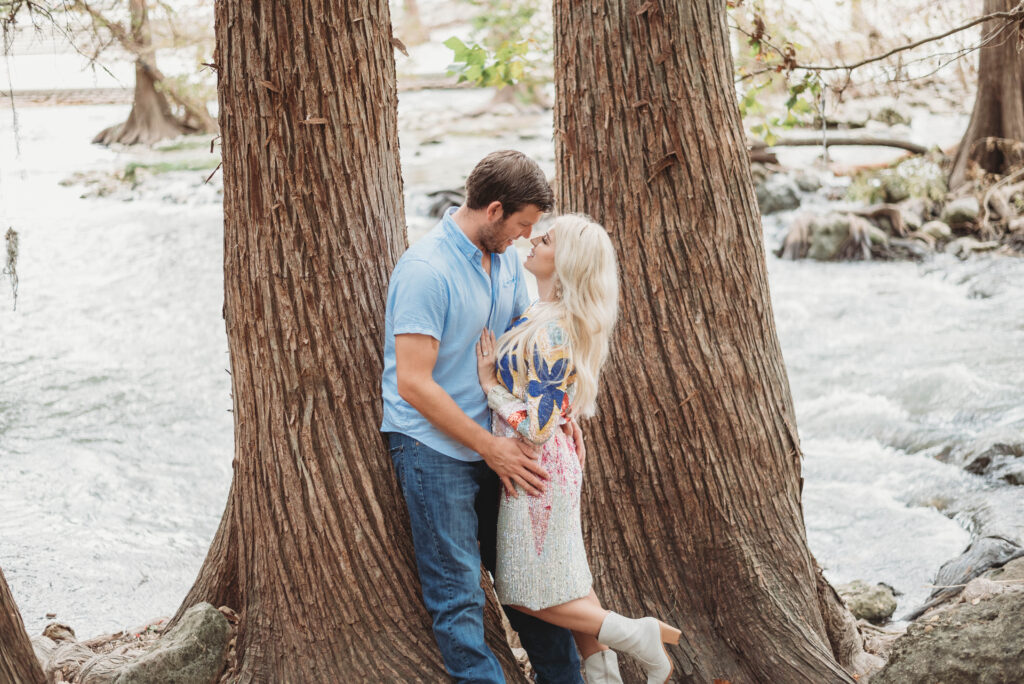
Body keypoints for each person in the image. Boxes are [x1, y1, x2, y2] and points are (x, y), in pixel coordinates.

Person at [380, 150, 586, 683]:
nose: (526, 237)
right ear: (494, 210)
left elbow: (523, 355)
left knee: (529, 583)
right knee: (458, 595)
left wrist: (557, 412)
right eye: (523, 225)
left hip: (501, 441)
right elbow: (413, 383)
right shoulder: (427, 270)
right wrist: (488, 446)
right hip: (434, 448)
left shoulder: (506, 266)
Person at [475, 214, 681, 684]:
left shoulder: (552, 331)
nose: (531, 239)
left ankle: (638, 635)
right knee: (567, 582)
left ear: (563, 261)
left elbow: (538, 427)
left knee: (525, 593)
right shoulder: (540, 314)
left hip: (536, 469)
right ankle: (604, 677)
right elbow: (553, 404)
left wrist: (490, 385)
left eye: (544, 239)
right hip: (545, 466)